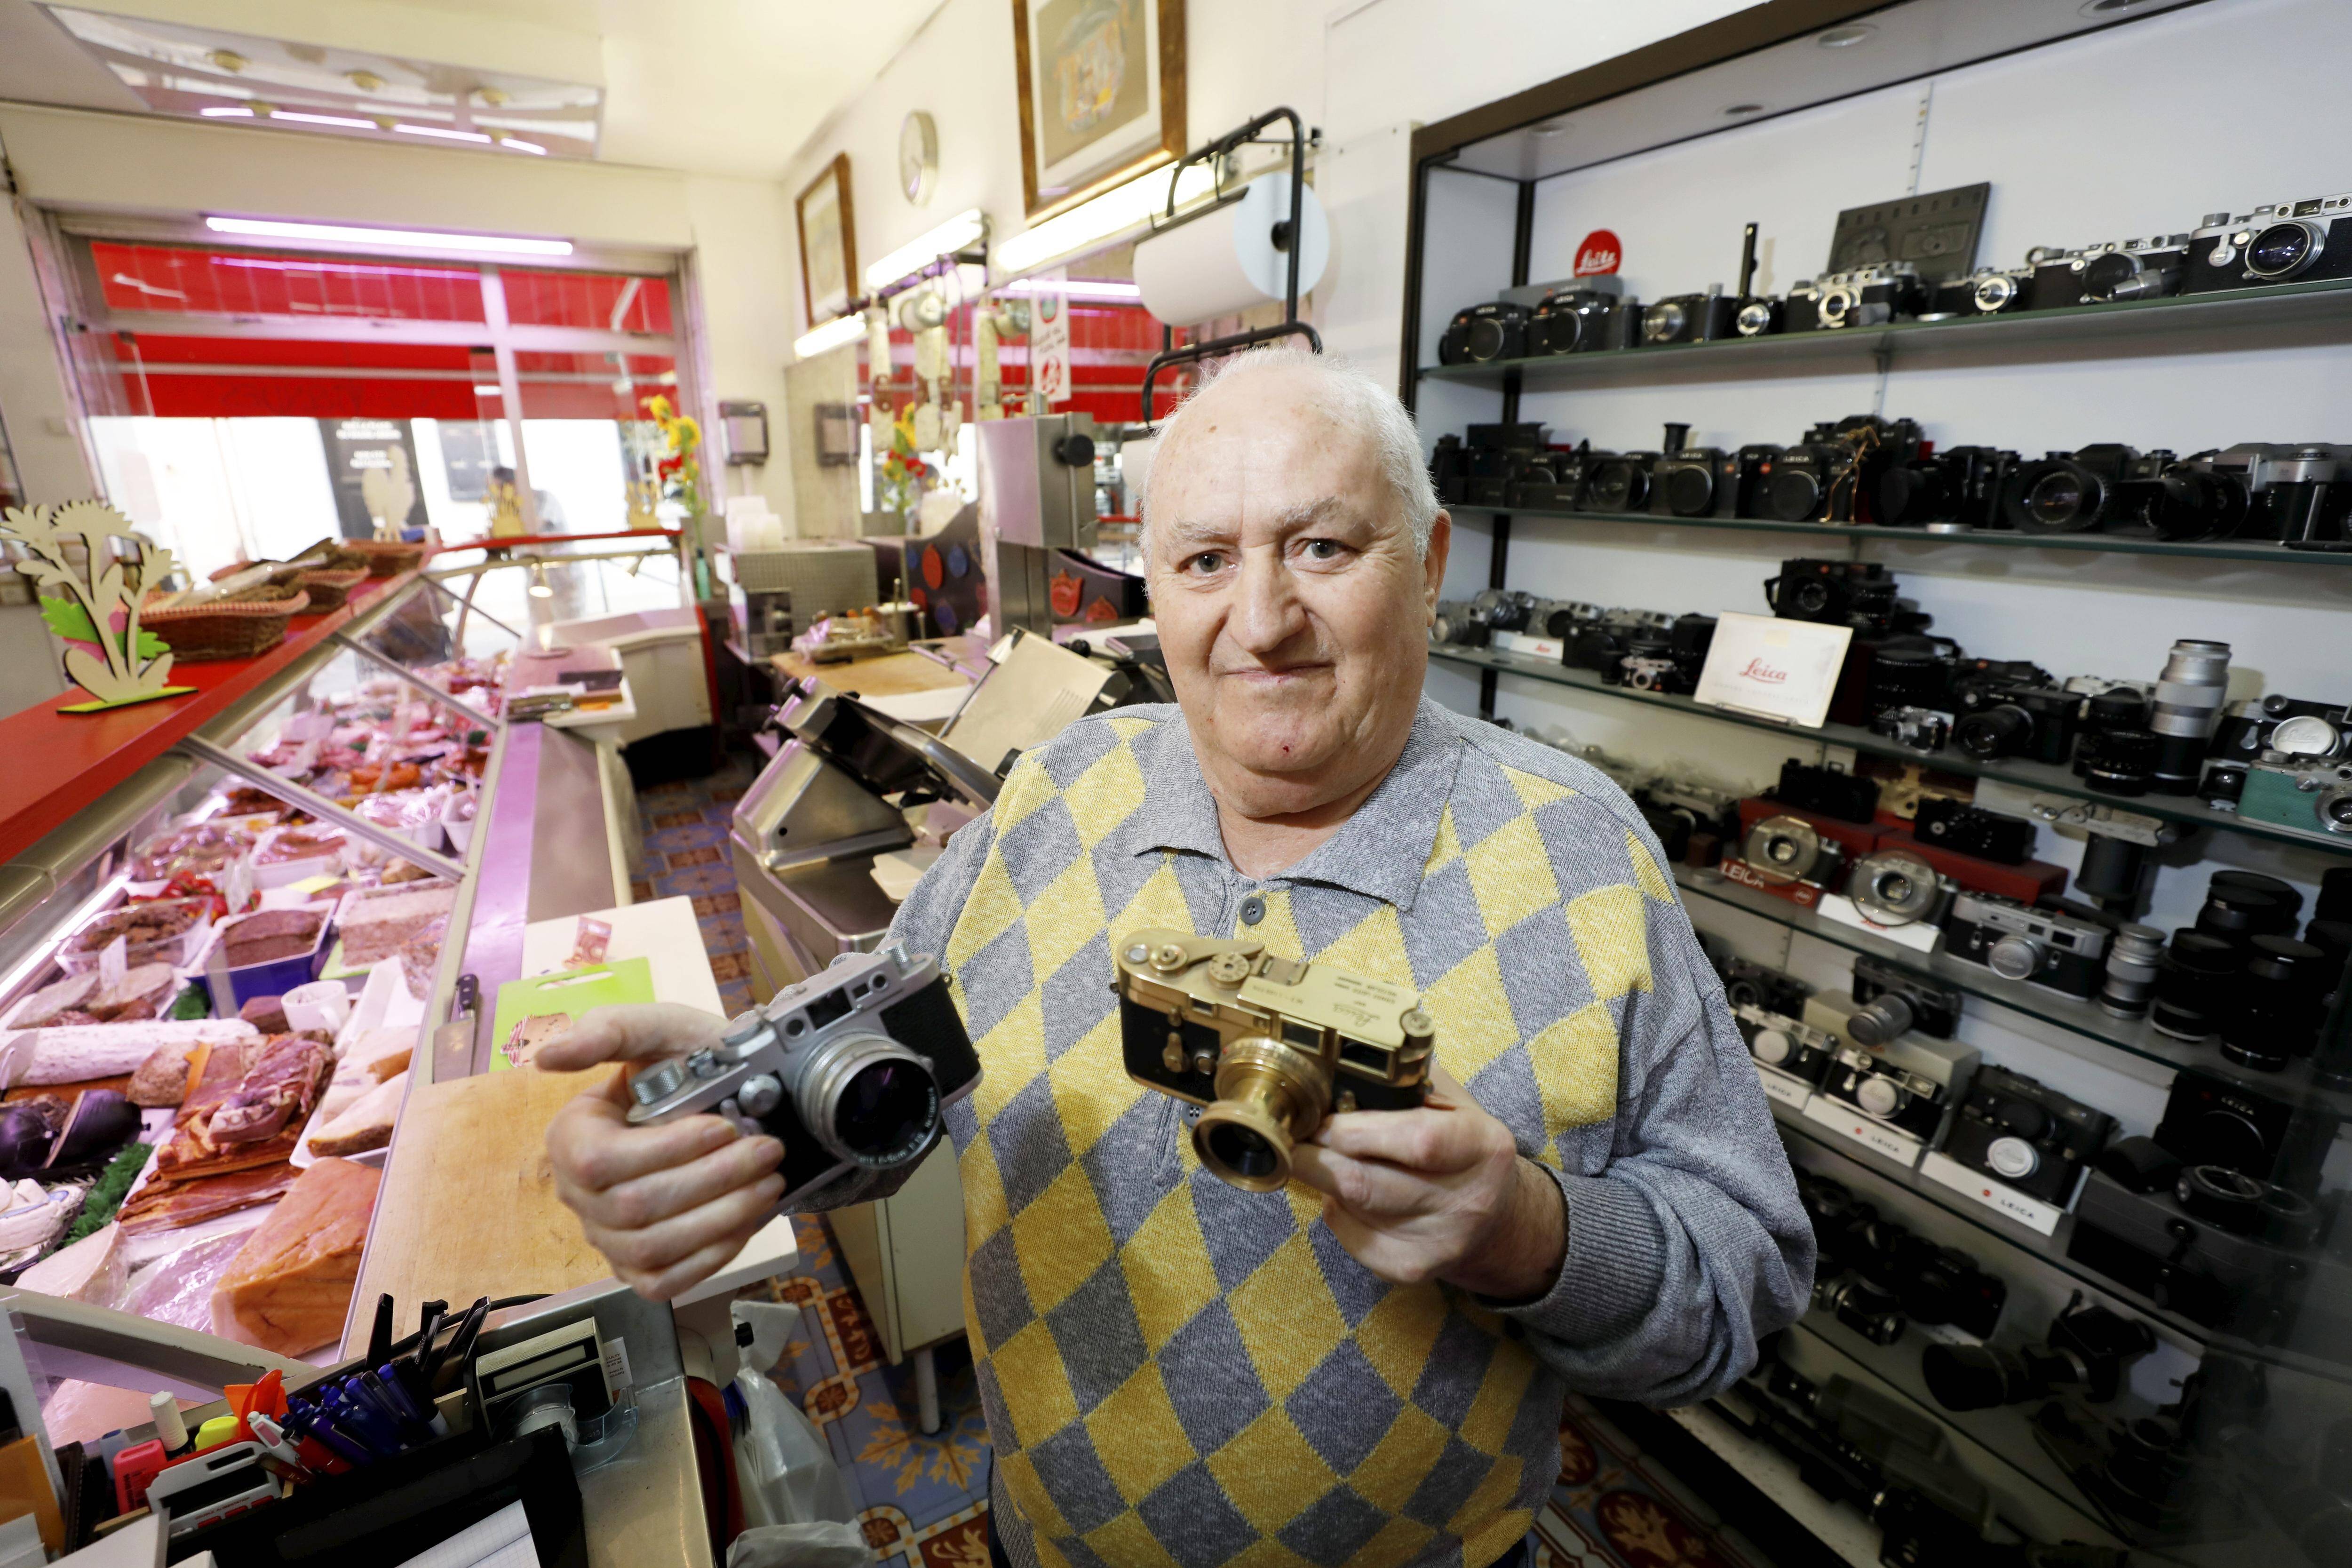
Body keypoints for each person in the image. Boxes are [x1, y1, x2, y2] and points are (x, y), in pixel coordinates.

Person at [542, 347, 1814, 1568]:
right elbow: (890, 1085)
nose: (1261, 623)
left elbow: (1746, 1280)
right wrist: (734, 1116)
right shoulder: (1054, 798)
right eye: (1205, 559)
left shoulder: (1584, 856)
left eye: (1321, 546)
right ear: (1148, 582)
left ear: (1428, 563)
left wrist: (1532, 1236)